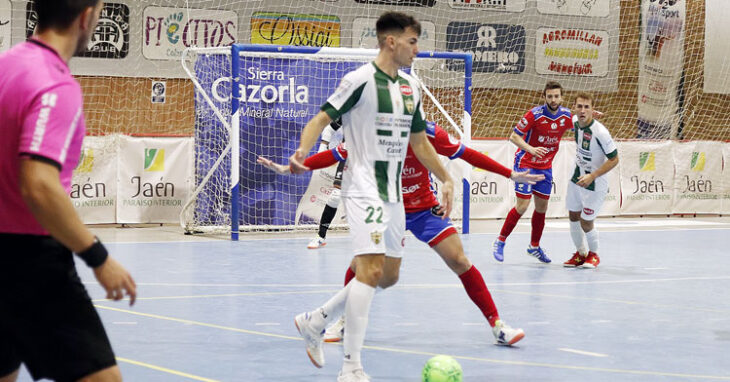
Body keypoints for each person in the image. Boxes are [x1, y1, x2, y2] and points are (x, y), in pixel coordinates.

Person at [259, 121, 544, 347]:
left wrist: (510, 174)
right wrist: (292, 167)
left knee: (459, 259)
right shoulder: (367, 133)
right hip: (385, 208)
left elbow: (466, 153)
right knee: (363, 267)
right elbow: (333, 155)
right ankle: (342, 318)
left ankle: (497, 326)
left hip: (423, 208)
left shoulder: (428, 132)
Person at [287, 12, 454, 382]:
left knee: (388, 277)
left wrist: (446, 177)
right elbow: (319, 120)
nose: (417, 49)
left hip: (393, 193)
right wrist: (302, 151)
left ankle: (315, 320)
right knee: (371, 271)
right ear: (390, 42)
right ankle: (351, 368)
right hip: (363, 188)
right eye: (412, 41)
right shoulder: (359, 80)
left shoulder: (410, 86)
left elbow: (420, 142)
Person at [0, 1, 137, 382]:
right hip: (29, 261)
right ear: (87, 16)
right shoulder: (57, 85)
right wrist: (98, 257)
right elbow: (39, 185)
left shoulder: (5, 66)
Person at [492, 81, 574, 264]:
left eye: (556, 96)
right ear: (544, 96)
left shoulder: (567, 116)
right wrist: (531, 149)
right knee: (522, 206)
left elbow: (581, 128)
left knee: (542, 208)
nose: (553, 100)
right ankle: (500, 241)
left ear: (562, 97)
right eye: (550, 96)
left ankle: (534, 246)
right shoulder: (534, 115)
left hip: (545, 167)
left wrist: (588, 119)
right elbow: (513, 136)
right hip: (526, 164)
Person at [563, 93, 618, 269]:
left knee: (586, 222)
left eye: (587, 107)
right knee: (573, 215)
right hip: (577, 176)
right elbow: (563, 115)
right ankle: (580, 254)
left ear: (592, 109)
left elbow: (614, 159)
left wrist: (592, 176)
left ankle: (594, 255)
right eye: (579, 106)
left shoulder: (601, 132)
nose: (582, 110)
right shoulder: (574, 121)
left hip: (595, 182)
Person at [307, 119, 345, 250]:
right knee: (335, 195)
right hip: (349, 157)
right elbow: (329, 129)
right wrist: (323, 146)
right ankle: (320, 236)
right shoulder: (351, 109)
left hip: (373, 160)